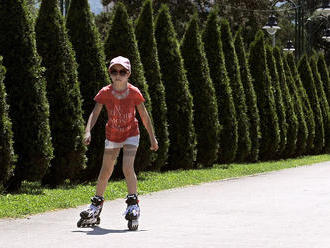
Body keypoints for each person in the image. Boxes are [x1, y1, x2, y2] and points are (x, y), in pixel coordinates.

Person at [77, 56, 158, 230]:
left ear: (128, 74)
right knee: (106, 170)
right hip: (112, 135)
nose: (118, 75)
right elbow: (95, 112)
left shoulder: (134, 92)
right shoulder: (105, 92)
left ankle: (133, 204)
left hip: (131, 134)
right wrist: (88, 130)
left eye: (122, 71)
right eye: (114, 71)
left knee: (127, 167)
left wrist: (152, 137)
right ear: (110, 73)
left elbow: (144, 115)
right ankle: (95, 206)